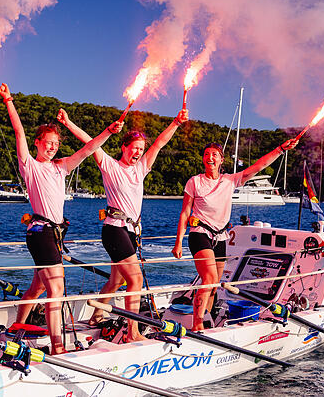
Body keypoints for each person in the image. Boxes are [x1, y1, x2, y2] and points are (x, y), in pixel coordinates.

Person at [0, 82, 123, 354]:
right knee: (56, 289)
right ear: (38, 143)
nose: (53, 148)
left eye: (56, 144)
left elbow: (88, 150)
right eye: (48, 143)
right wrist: (9, 101)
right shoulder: (30, 166)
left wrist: (108, 132)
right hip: (40, 232)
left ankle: (16, 329)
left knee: (37, 288)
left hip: (54, 235)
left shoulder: (61, 167)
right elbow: (19, 133)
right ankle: (57, 345)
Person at [59, 107, 188, 342]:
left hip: (131, 232)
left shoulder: (141, 169)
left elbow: (159, 144)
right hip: (114, 229)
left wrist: (176, 123)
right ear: (124, 148)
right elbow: (90, 142)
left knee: (116, 280)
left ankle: (96, 316)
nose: (138, 152)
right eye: (134, 148)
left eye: (141, 149)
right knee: (135, 280)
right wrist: (68, 123)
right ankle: (132, 332)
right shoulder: (110, 166)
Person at [173, 138, 298, 331]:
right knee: (208, 280)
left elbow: (258, 167)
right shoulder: (194, 182)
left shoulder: (229, 181)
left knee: (214, 285)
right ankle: (197, 325)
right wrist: (178, 242)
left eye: (214, 155)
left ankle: (206, 319)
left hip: (221, 237)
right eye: (206, 154)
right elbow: (184, 213)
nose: (210, 158)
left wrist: (280, 149)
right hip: (200, 233)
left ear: (221, 160)